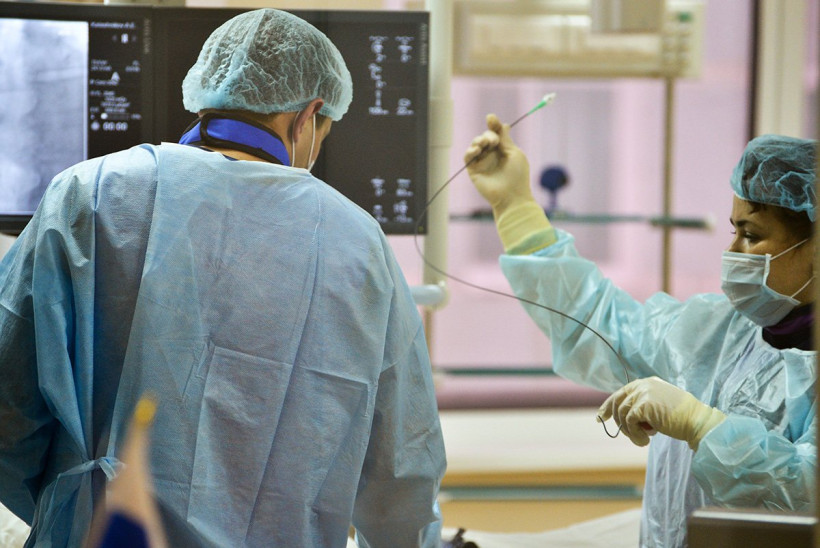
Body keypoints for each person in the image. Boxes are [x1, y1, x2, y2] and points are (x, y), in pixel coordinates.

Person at [0, 9, 445, 547]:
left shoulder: (91, 193)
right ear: (309, 116)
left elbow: (9, 405)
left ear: (206, 95)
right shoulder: (357, 240)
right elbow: (402, 472)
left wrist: (65, 508)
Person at [465, 115, 816, 547]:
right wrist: (515, 207)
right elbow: (597, 322)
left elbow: (804, 493)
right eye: (733, 231)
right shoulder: (717, 332)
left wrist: (702, 426)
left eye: (751, 235)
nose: (731, 252)